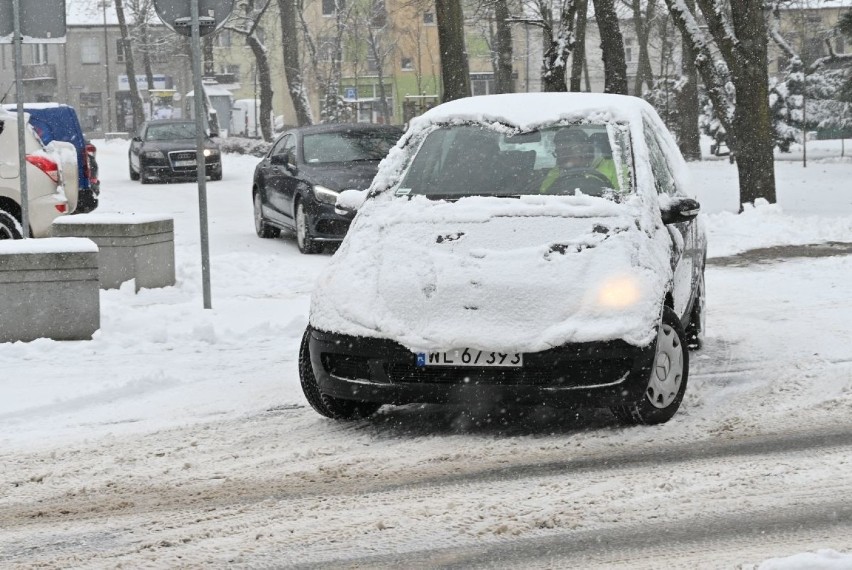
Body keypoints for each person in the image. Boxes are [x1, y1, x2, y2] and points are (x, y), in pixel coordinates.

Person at [539, 128, 618, 194]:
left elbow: (625, 201)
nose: (560, 157)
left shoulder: (616, 168)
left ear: (584, 149)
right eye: (558, 152)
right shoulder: (556, 171)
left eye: (566, 151)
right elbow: (545, 196)